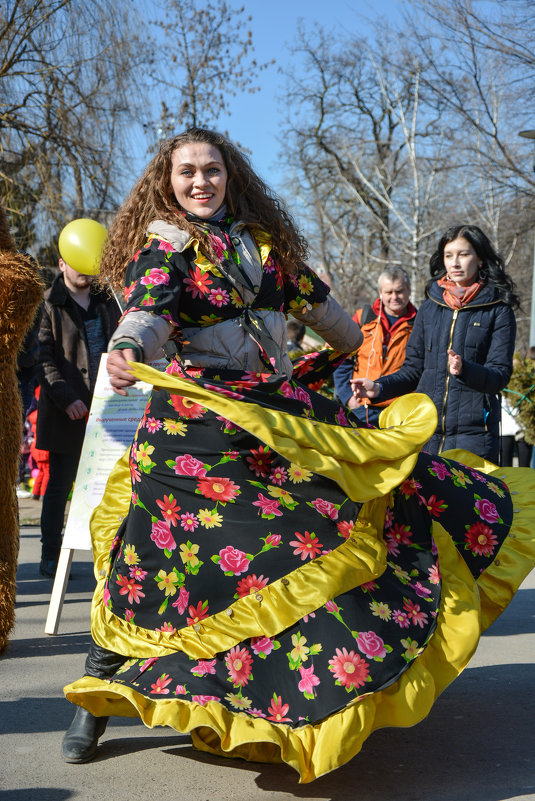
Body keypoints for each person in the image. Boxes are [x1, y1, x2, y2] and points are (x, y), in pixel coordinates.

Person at [62, 130, 535, 782]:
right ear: (165, 183)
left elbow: (326, 314)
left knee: (310, 545)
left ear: (230, 176)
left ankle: (283, 695)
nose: (200, 182)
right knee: (150, 568)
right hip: (188, 447)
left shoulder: (261, 247)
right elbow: (147, 312)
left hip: (265, 430)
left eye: (211, 170)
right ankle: (96, 688)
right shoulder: (164, 247)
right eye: (186, 173)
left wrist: (344, 342)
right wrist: (129, 349)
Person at [352, 225, 519, 463]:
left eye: (464, 254)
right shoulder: (430, 306)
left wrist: (465, 370)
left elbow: (499, 376)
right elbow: (412, 371)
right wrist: (378, 388)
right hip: (424, 434)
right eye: (449, 256)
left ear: (480, 259)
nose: (455, 263)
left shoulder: (498, 310)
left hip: (474, 438)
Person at [36, 255, 120, 577]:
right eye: (77, 261)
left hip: (109, 412)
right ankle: (50, 555)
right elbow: (43, 359)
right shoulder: (49, 304)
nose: (85, 268)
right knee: (58, 487)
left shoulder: (107, 299)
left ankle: (114, 555)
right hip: (66, 414)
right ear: (61, 263)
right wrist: (66, 398)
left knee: (113, 486)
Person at [333, 267, 416, 425]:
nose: (394, 297)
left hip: (400, 411)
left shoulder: (420, 323)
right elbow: (341, 358)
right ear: (380, 292)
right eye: (388, 292)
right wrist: (347, 397)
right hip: (362, 408)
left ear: (409, 290)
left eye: (399, 291)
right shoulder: (362, 318)